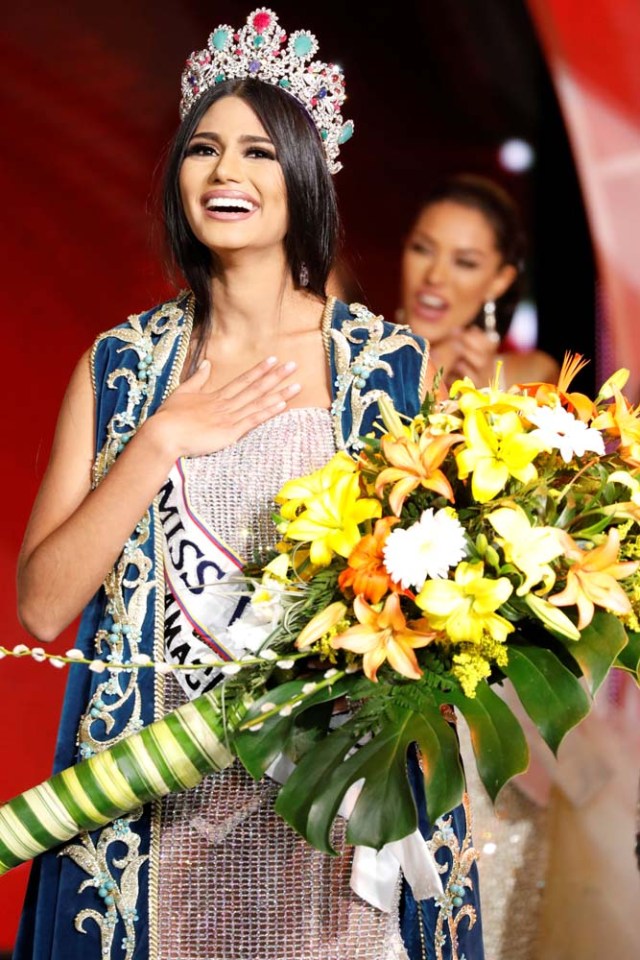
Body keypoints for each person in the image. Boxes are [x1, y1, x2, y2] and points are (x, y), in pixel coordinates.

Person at [12, 10, 485, 960]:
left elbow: (449, 611)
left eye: (260, 151)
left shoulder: (388, 368)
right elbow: (41, 605)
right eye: (204, 150)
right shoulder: (122, 369)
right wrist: (160, 441)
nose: (226, 173)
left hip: (339, 831)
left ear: (303, 175)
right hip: (163, 826)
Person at [398, 173, 560, 389]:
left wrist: (486, 405)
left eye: (465, 262)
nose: (434, 276)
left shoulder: (531, 380)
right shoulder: (352, 366)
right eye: (422, 249)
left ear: (500, 280)